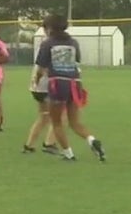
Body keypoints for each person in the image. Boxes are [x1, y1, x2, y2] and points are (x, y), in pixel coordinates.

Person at [33, 14, 105, 162]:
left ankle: (68, 153)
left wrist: (37, 80)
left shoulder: (47, 43)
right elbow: (76, 61)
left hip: (58, 83)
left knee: (56, 121)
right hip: (75, 82)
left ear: (50, 28)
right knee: (74, 122)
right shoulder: (73, 42)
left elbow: (41, 68)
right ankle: (91, 140)